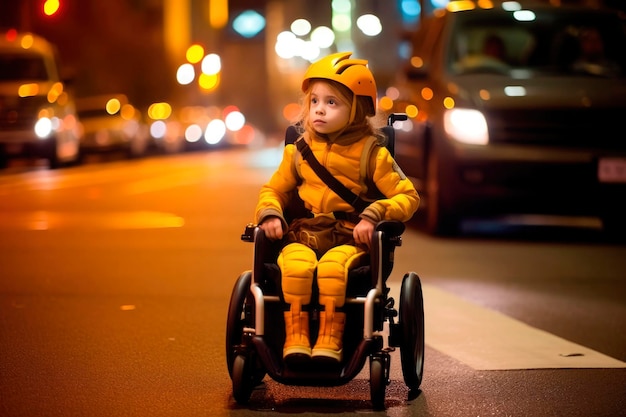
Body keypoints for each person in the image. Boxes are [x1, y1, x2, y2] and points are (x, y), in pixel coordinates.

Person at [253, 52, 420, 365]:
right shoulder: (298, 151)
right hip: (304, 233)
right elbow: (272, 190)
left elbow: (408, 197)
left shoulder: (373, 153)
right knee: (297, 268)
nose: (319, 109)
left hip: (349, 236)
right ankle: (296, 338)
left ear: (356, 109)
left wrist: (374, 215)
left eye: (332, 102)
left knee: (331, 271)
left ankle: (331, 339)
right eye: (315, 100)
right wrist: (271, 213)